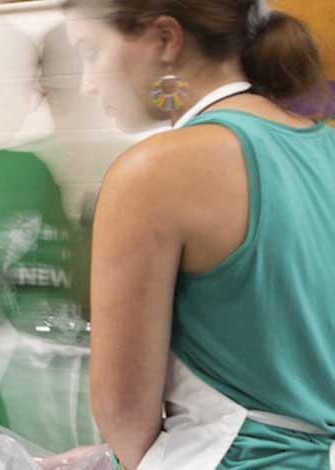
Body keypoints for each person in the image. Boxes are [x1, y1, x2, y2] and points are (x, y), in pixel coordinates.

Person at [64, 0, 335, 468]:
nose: (87, 84)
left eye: (90, 52)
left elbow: (122, 409)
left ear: (165, 39)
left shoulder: (155, 171)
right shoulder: (323, 144)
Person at [0, 26, 101, 454]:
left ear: (42, 86)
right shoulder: (142, 164)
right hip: (122, 410)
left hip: (22, 403)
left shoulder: (1, 172)